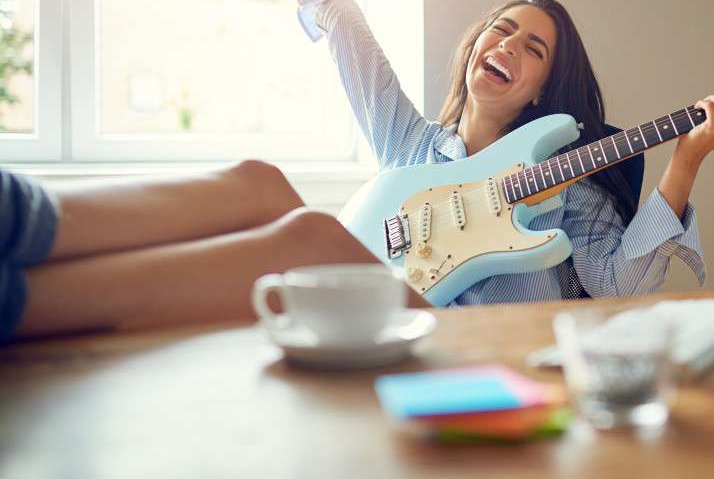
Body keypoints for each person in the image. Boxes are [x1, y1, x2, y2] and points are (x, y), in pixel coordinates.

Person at [282, 0, 714, 307]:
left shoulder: (568, 183)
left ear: (542, 93)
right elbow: (347, 32)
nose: (508, 45)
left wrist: (688, 158)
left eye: (533, 49)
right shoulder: (409, 144)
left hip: (512, 371)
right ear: (475, 48)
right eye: (502, 30)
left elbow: (621, 287)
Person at [0, 161, 413, 345]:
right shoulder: (410, 138)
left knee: (264, 185)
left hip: (13, 210)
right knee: (314, 239)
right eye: (483, 25)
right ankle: (465, 360)